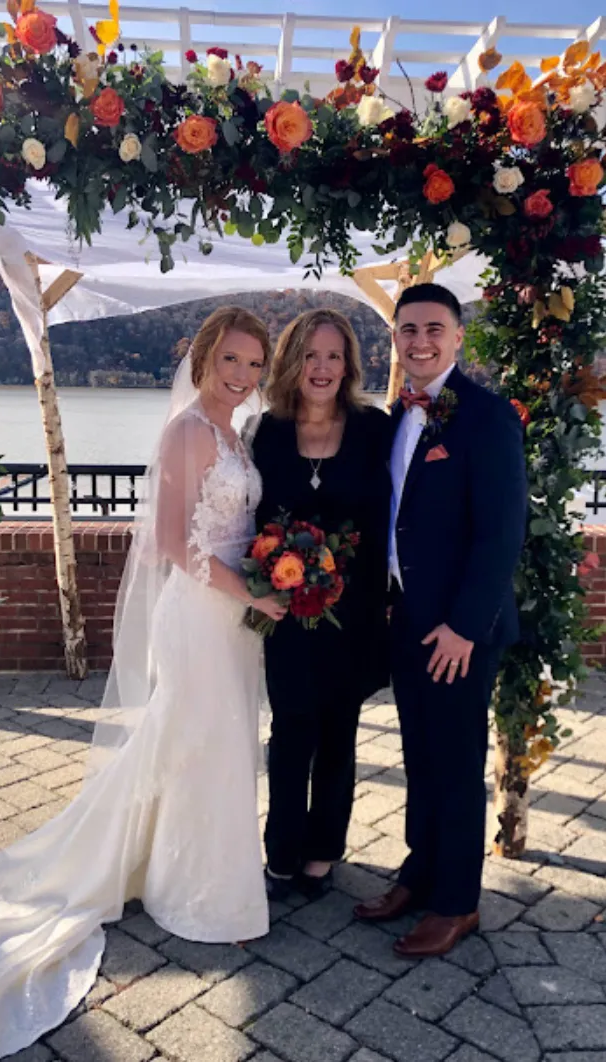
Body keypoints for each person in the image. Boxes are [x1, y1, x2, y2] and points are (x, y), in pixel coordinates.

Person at [0, 307, 286, 1062]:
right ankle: (196, 896)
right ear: (204, 358)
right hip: (203, 614)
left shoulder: (238, 432)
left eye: (255, 365)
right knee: (205, 745)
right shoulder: (187, 432)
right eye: (232, 360)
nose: (244, 376)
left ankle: (188, 872)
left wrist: (264, 579)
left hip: (236, 617)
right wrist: (254, 593)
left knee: (217, 744)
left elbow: (232, 525)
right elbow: (172, 541)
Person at [354, 283, 527, 958]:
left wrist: (463, 626)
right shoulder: (401, 415)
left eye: (433, 329)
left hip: (457, 630)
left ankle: (457, 904)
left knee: (456, 764)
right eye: (407, 331)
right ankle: (418, 873)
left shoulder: (487, 417)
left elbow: (501, 534)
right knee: (419, 758)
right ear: (395, 339)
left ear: (458, 337)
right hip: (407, 621)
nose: (419, 342)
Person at [251, 308, 391, 900]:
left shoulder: (374, 429)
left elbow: (394, 519)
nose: (323, 367)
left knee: (339, 733)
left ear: (349, 365)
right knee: (290, 734)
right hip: (287, 614)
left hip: (354, 615)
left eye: (334, 356)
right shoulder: (267, 432)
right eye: (311, 354)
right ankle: (280, 854)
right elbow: (246, 522)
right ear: (292, 362)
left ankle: (323, 853)